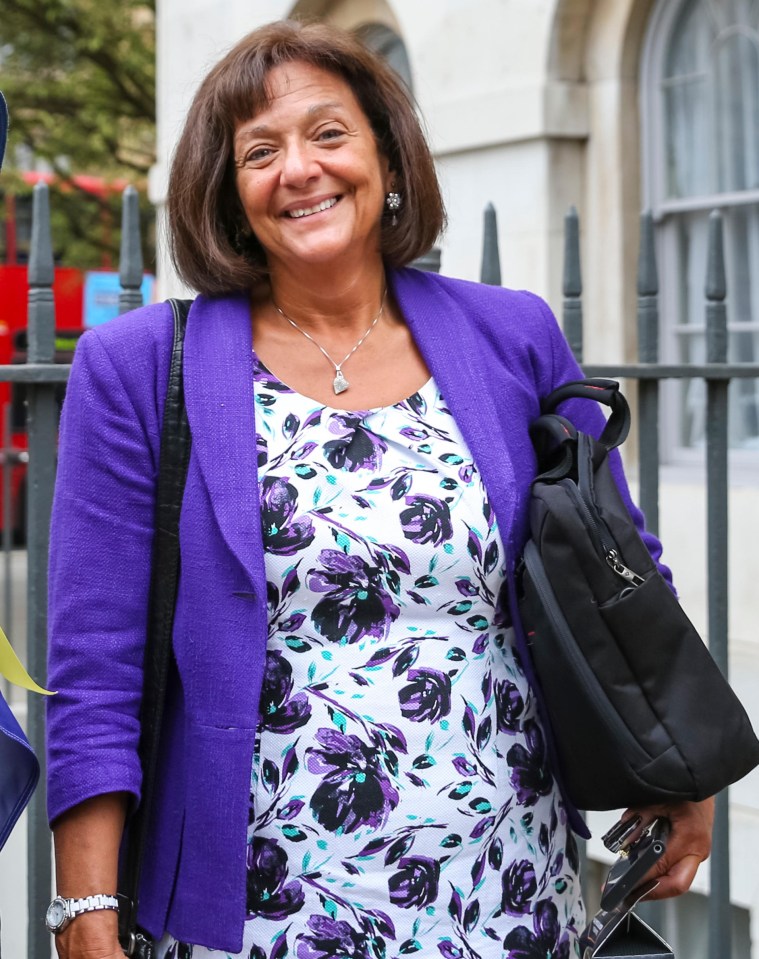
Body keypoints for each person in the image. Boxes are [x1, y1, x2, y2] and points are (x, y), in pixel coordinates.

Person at [46, 20, 714, 959]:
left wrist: (683, 762)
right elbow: (95, 663)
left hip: (508, 887)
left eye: (329, 134)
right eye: (260, 151)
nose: (300, 169)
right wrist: (86, 913)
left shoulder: (511, 337)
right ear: (231, 195)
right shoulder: (138, 367)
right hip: (256, 911)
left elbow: (618, 567)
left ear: (386, 158)